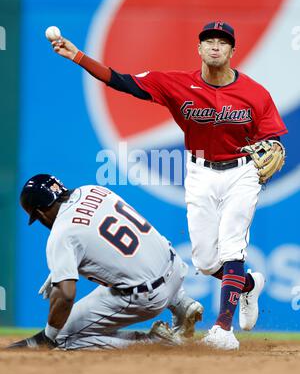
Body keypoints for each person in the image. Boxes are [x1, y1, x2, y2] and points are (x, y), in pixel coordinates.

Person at [50, 21, 287, 350]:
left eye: (222, 42)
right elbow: (122, 81)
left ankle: (223, 329)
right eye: (209, 41)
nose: (215, 46)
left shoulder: (255, 93)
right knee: (205, 261)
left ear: (233, 51)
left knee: (232, 245)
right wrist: (77, 56)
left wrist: (274, 147)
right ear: (199, 49)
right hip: (200, 172)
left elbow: (272, 138)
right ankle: (247, 286)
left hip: (241, 174)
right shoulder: (176, 84)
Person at [9, 174, 203, 350]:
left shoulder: (61, 233)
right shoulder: (92, 189)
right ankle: (181, 303)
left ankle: (154, 343)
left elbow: (66, 295)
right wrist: (61, 267)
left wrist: (48, 336)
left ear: (41, 213)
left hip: (149, 296)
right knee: (141, 263)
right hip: (175, 268)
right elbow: (93, 234)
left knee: (63, 337)